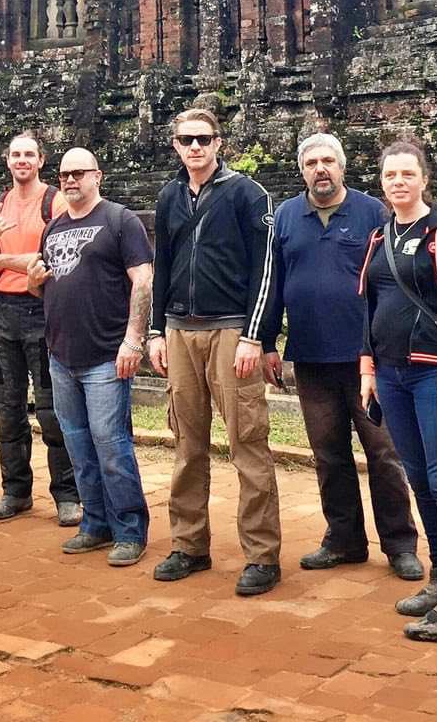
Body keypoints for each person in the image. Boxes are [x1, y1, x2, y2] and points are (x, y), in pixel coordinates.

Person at [260, 133, 422, 581]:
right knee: (328, 453)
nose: (320, 169)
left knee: (384, 453)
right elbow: (272, 282)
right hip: (311, 357)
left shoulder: (372, 212)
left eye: (328, 160)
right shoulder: (288, 216)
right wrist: (268, 341)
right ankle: (344, 539)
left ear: (343, 167)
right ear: (302, 170)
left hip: (368, 360)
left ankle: (400, 544)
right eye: (311, 162)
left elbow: (392, 280)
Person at [146, 107, 283, 596]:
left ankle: (262, 555)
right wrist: (155, 330)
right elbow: (163, 266)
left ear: (219, 143)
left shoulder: (247, 194)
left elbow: (266, 267)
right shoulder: (169, 196)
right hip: (180, 329)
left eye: (204, 139)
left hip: (230, 330)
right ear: (176, 145)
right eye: (187, 140)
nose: (196, 147)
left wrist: (254, 335)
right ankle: (189, 544)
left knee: (247, 441)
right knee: (186, 442)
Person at [362, 139, 437, 642]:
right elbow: (369, 308)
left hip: (435, 374)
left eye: (408, 174)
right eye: (391, 176)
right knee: (419, 477)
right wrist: (367, 370)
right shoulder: (379, 236)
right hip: (390, 374)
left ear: (424, 179)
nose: (399, 183)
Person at [27, 148, 152, 566]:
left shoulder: (120, 221)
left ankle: (130, 529)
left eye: (79, 173)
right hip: (61, 354)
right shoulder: (54, 227)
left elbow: (143, 282)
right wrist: (31, 282)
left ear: (98, 176)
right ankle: (95, 523)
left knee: (111, 445)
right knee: (78, 445)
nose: (70, 180)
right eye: (64, 174)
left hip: (105, 355)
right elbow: (47, 284)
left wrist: (133, 340)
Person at [0, 132, 79, 526]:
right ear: (7, 160)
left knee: (52, 410)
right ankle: (14, 491)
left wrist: (3, 257)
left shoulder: (57, 202)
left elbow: (56, 257)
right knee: (7, 408)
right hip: (0, 313)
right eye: (16, 154)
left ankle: (67, 494)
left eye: (29, 154)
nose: (22, 160)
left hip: (42, 309)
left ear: (41, 160)